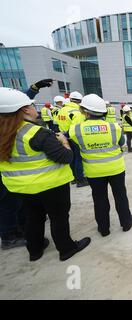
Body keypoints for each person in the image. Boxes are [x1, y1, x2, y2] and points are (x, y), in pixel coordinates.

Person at [0, 87, 91, 262]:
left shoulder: (5, 132)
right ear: (25, 109)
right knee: (59, 217)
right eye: (32, 106)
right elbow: (66, 158)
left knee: (32, 217)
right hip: (50, 185)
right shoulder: (37, 133)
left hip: (21, 187)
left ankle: (35, 250)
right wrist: (64, 142)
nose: (36, 109)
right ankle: (66, 248)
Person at [69, 94, 132, 237]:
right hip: (116, 168)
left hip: (94, 171)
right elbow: (121, 143)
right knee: (120, 196)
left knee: (99, 198)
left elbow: (76, 145)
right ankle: (126, 223)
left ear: (85, 111)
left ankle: (104, 228)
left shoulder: (76, 130)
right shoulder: (114, 127)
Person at [0, 80, 52, 251]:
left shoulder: (9, 118)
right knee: (7, 203)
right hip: (9, 175)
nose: (31, 108)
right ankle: (9, 235)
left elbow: (13, 103)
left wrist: (32, 90)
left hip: (15, 177)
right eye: (27, 107)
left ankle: (24, 229)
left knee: (20, 203)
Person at [57, 91, 89, 188]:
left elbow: (56, 122)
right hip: (74, 138)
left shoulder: (62, 110)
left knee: (71, 158)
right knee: (78, 159)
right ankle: (80, 180)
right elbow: (77, 128)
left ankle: (74, 178)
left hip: (64, 137)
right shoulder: (77, 112)